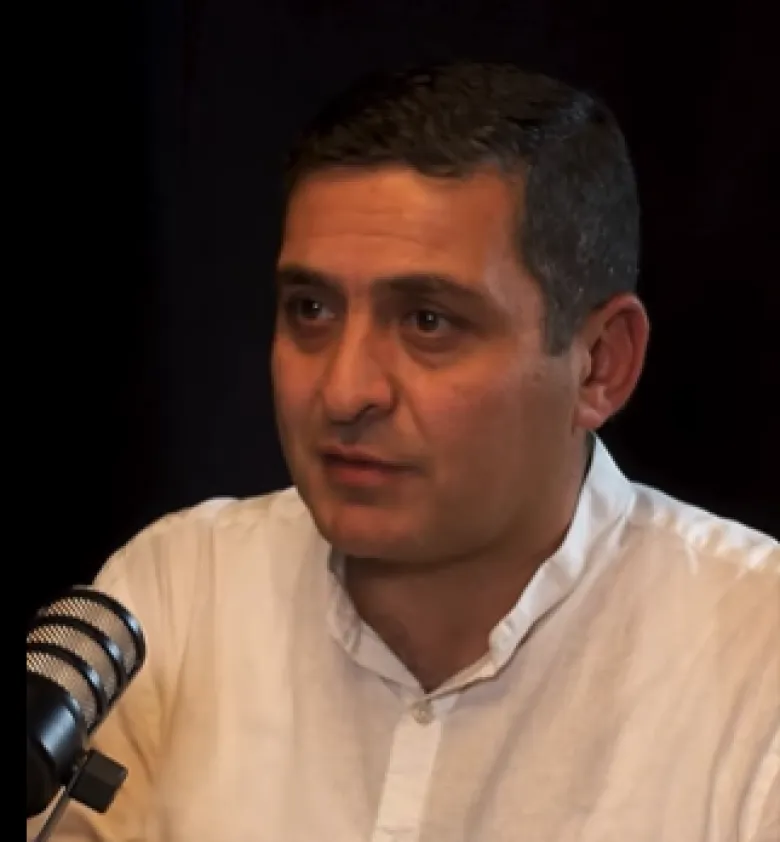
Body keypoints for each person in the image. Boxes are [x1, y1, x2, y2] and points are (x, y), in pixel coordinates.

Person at [28, 60, 778, 842]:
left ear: (600, 366)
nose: (344, 390)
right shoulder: (179, 594)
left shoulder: (759, 661)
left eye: (428, 321)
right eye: (311, 310)